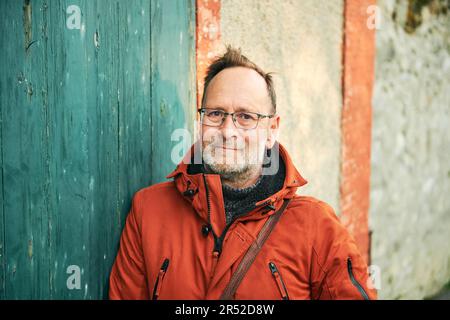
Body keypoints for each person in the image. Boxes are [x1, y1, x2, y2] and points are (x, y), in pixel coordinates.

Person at [109, 46, 377, 300]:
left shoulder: (317, 227)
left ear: (272, 130)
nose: (227, 131)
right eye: (215, 114)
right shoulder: (148, 211)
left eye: (246, 117)